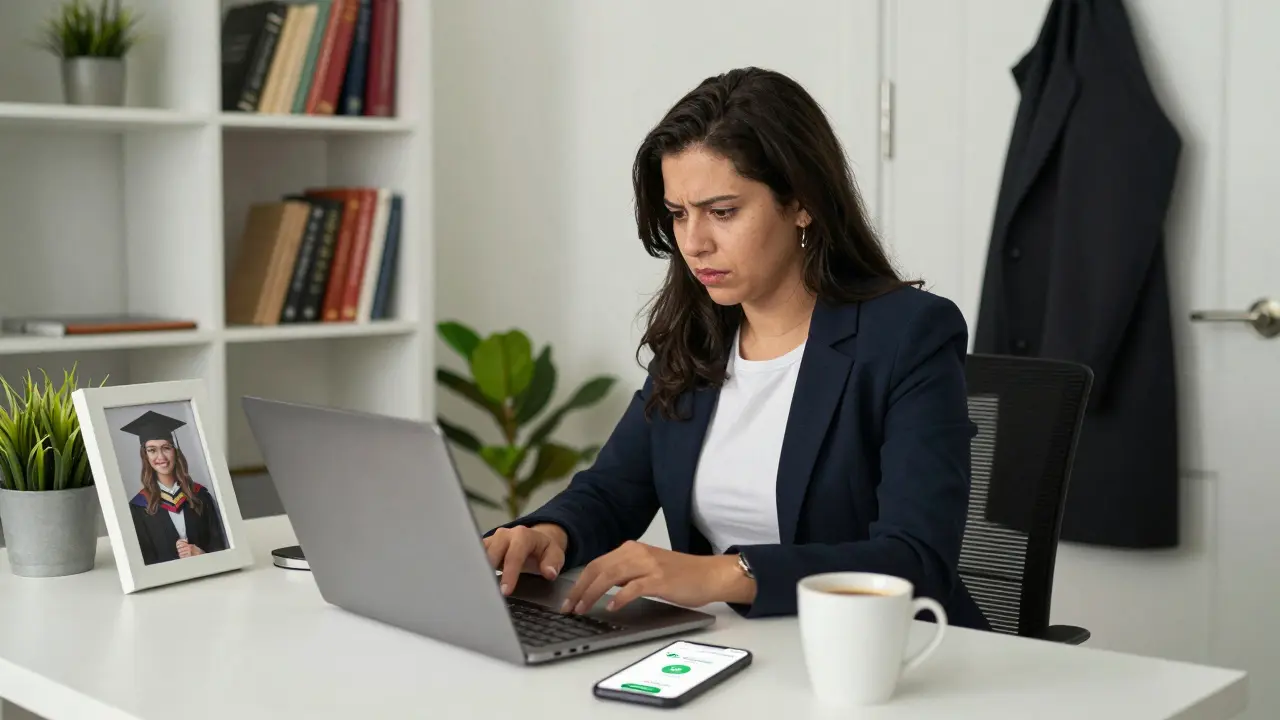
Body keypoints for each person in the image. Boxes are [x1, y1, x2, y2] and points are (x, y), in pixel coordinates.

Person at [483, 67, 990, 630]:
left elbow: (914, 557)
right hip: (734, 651)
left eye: (722, 212)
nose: (694, 243)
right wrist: (547, 534)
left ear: (801, 204)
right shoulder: (698, 335)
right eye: (679, 214)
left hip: (882, 658)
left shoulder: (908, 335)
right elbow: (613, 489)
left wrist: (722, 575)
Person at [121, 410, 227, 565]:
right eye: (152, 450)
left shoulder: (200, 496)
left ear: (175, 451)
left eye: (166, 448)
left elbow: (220, 549)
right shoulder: (139, 507)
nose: (161, 457)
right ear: (145, 456)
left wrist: (201, 554)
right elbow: (145, 562)